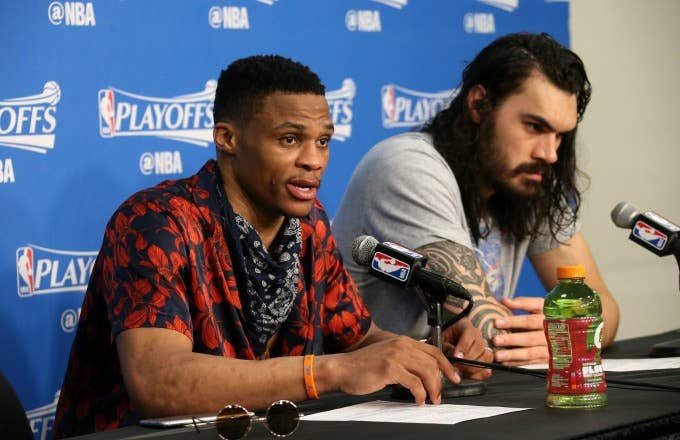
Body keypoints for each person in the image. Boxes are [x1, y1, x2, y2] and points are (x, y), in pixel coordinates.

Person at [54, 55, 491, 438]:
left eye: (322, 140)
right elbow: (158, 384)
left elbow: (360, 341)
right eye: (289, 140)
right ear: (228, 138)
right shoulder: (156, 222)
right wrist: (330, 371)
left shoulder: (310, 224)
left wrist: (424, 352)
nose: (314, 159)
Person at [333, 33, 620, 367]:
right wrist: (574, 335)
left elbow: (604, 308)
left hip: (456, 393)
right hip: (373, 401)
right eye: (534, 126)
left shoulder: (530, 175)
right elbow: (481, 328)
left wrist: (579, 333)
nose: (550, 153)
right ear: (479, 105)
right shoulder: (407, 166)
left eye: (560, 135)